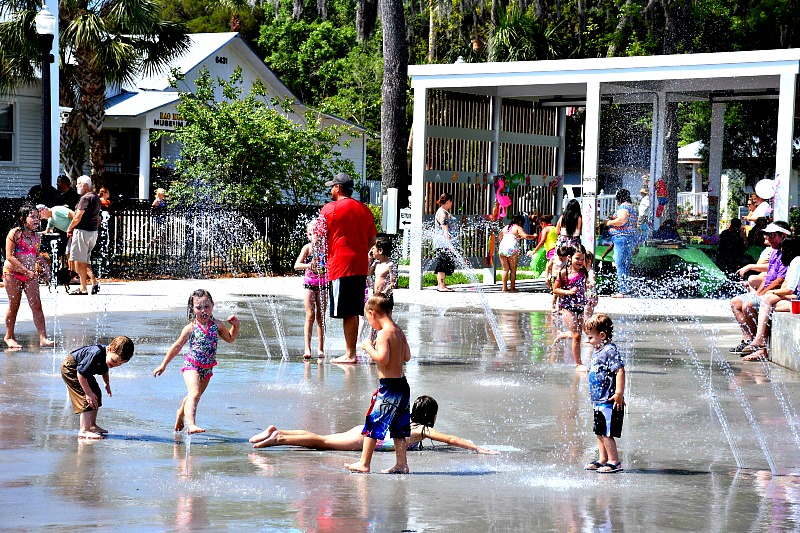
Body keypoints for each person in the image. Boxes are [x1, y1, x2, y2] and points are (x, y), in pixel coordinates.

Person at [249, 395, 498, 455]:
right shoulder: (422, 430)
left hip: (364, 433)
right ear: (431, 416)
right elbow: (452, 439)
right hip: (368, 439)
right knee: (321, 442)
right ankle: (278, 438)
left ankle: (278, 431)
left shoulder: (409, 423)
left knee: (322, 438)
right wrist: (477, 448)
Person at [152, 289, 240, 434]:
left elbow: (230, 338)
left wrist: (236, 326)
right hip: (191, 365)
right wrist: (163, 365)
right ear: (192, 309)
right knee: (194, 392)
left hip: (208, 368)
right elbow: (177, 347)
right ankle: (191, 424)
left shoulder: (217, 325)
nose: (203, 310)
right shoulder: (191, 328)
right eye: (198, 308)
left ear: (212, 305)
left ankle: (180, 413)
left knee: (195, 395)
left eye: (206, 306)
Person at [345, 293, 411, 474]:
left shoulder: (383, 334)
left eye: (368, 317)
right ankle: (401, 464)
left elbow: (382, 360)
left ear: (373, 313)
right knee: (399, 427)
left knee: (373, 422)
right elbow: (407, 356)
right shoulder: (398, 330)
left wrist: (368, 347)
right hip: (402, 386)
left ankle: (364, 463)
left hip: (388, 388)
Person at [315, 173, 377, 364]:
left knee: (349, 312)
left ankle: (350, 354)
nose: (330, 190)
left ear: (338, 188)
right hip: (359, 265)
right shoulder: (364, 209)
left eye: (332, 186)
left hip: (340, 266)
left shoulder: (330, 209)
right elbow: (372, 241)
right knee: (353, 309)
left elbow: (318, 239)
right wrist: (358, 252)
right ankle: (351, 352)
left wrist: (319, 259)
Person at [729, 221, 790, 355]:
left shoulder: (787, 253)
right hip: (767, 291)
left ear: (783, 236)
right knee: (735, 302)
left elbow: (780, 280)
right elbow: (769, 276)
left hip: (777, 294)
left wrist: (762, 294)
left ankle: (759, 344)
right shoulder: (773, 252)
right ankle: (748, 340)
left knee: (748, 305)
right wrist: (759, 292)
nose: (768, 238)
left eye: (772, 235)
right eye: (767, 235)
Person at [739, 236, 800, 362]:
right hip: (795, 298)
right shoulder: (793, 262)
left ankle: (760, 341)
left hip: (797, 300)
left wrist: (772, 292)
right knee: (768, 305)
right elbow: (786, 286)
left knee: (767, 301)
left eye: (783, 249)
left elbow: (789, 290)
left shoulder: (797, 261)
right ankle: (762, 347)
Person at [60, 335, 134, 439]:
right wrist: (88, 393)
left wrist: (107, 384)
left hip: (82, 371)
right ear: (109, 349)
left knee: (96, 393)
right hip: (71, 369)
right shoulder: (95, 354)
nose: (116, 365)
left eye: (120, 364)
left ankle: (92, 425)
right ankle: (84, 430)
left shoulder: (107, 356)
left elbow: (104, 370)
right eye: (115, 361)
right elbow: (80, 374)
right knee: (87, 398)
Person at [3, 205, 55, 348]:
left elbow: (35, 255)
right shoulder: (14, 233)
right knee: (14, 305)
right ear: (23, 218)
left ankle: (43, 338)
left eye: (38, 217)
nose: (36, 220)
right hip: (12, 274)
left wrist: (44, 266)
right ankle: (9, 336)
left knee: (37, 305)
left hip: (29, 275)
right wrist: (26, 271)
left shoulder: (36, 236)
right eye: (32, 216)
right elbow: (9, 257)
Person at [583, 314, 625, 474]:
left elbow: (620, 370)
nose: (588, 341)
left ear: (602, 335)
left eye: (591, 337)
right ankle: (603, 459)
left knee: (607, 432)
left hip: (609, 400)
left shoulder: (610, 350)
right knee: (599, 431)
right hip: (598, 399)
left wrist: (619, 392)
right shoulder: (598, 350)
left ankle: (614, 461)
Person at [552, 244, 590, 371]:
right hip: (567, 307)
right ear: (569, 258)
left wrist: (589, 296)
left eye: (582, 259)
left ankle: (562, 335)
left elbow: (584, 287)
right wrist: (568, 292)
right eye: (577, 258)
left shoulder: (583, 271)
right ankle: (578, 364)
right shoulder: (564, 273)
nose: (580, 262)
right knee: (577, 336)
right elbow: (555, 290)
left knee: (578, 334)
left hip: (580, 306)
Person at [295, 220, 327, 360]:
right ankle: (307, 348)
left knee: (321, 317)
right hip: (310, 284)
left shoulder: (327, 248)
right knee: (310, 316)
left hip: (323, 285)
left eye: (316, 232)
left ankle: (320, 348)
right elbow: (297, 265)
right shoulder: (307, 248)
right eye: (310, 233)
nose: (313, 236)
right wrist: (309, 266)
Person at [65, 175, 101, 295]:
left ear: (86, 185)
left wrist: (69, 228)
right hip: (92, 232)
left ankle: (83, 288)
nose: (76, 186)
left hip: (82, 232)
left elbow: (78, 216)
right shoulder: (95, 197)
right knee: (84, 260)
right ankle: (94, 282)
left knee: (79, 261)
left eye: (79, 184)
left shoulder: (85, 198)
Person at [605, 189, 639, 298]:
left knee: (620, 264)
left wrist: (608, 222)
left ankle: (623, 291)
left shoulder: (624, 207)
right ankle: (626, 289)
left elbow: (621, 221)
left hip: (621, 238)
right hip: (628, 238)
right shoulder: (631, 207)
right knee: (625, 265)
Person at [498, 214, 536, 292]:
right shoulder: (518, 228)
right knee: (513, 270)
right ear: (520, 221)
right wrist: (534, 236)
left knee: (505, 270)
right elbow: (525, 236)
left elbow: (500, 237)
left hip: (502, 248)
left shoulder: (505, 228)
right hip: (512, 249)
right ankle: (512, 288)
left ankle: (504, 288)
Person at [431, 192, 457, 292]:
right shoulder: (443, 213)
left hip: (441, 242)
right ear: (448, 201)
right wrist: (449, 243)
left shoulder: (441, 211)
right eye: (451, 202)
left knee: (443, 262)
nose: (451, 204)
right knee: (442, 263)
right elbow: (445, 230)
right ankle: (441, 285)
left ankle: (440, 284)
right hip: (443, 242)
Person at [38, 204, 75, 273]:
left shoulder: (57, 210)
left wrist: (71, 228)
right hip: (72, 235)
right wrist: (34, 233)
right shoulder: (51, 219)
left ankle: (76, 275)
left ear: (42, 211)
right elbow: (47, 231)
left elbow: (74, 215)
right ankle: (73, 274)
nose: (40, 218)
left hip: (78, 231)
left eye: (39, 216)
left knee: (73, 255)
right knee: (69, 253)